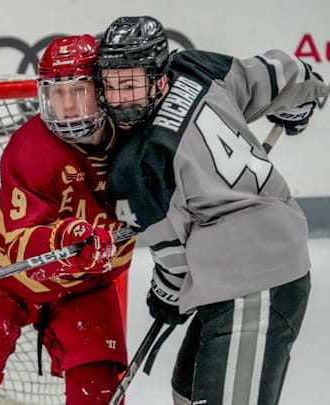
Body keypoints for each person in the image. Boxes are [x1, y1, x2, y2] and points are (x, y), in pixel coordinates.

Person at [96, 16, 329, 405]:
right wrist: (303, 96)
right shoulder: (197, 68)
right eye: (112, 85)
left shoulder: (134, 166)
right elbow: (282, 72)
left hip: (257, 279)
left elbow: (175, 267)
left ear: (158, 77)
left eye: (131, 84)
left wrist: (164, 295)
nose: (121, 99)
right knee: (186, 393)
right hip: (241, 271)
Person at [0, 35, 137, 405]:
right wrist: (68, 239)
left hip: (87, 286)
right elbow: (21, 242)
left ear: (103, 89)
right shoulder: (30, 148)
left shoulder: (136, 141)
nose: (67, 106)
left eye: (79, 90)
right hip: (4, 277)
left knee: (98, 388)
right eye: (57, 93)